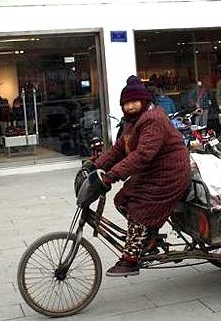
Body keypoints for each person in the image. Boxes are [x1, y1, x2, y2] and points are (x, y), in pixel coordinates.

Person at [78, 75, 191, 277]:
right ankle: (149, 238)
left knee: (140, 208)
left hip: (170, 175)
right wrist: (93, 165)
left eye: (134, 102)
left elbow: (143, 154)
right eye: (126, 103)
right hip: (152, 173)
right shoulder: (133, 122)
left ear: (144, 101)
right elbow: (118, 150)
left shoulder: (153, 119)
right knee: (122, 199)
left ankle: (130, 259)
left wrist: (111, 175)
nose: (130, 107)